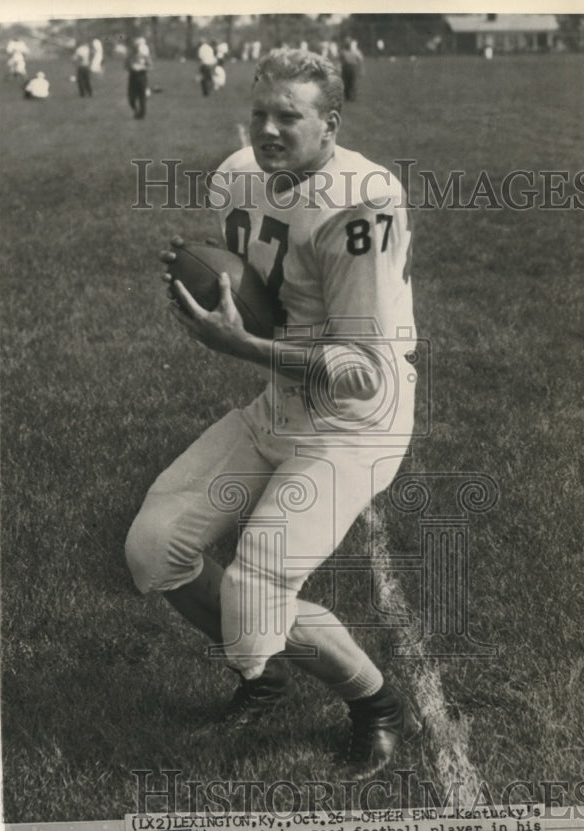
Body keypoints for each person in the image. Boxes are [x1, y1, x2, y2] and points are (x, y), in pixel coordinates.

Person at [125, 48, 420, 779]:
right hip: (278, 406)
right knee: (153, 548)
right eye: (258, 112)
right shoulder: (235, 175)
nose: (267, 128)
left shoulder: (361, 201)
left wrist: (245, 344)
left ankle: (375, 705)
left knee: (257, 591)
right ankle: (264, 678)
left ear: (330, 121)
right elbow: (255, 286)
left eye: (289, 115)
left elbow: (361, 373)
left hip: (355, 425)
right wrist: (201, 277)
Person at [127, 37, 153, 118]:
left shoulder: (145, 55)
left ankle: (141, 114)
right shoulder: (131, 55)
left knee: (142, 96)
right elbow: (125, 65)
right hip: (133, 76)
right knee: (131, 97)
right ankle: (135, 110)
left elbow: (150, 66)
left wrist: (142, 67)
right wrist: (131, 66)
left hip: (142, 76)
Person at [340, 37, 364, 101]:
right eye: (346, 43)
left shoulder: (355, 52)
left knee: (353, 83)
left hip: (353, 68)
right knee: (346, 83)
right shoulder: (343, 52)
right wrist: (340, 68)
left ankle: (353, 97)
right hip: (345, 68)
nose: (347, 44)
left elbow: (360, 60)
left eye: (348, 43)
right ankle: (347, 96)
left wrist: (361, 70)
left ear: (350, 44)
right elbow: (341, 61)